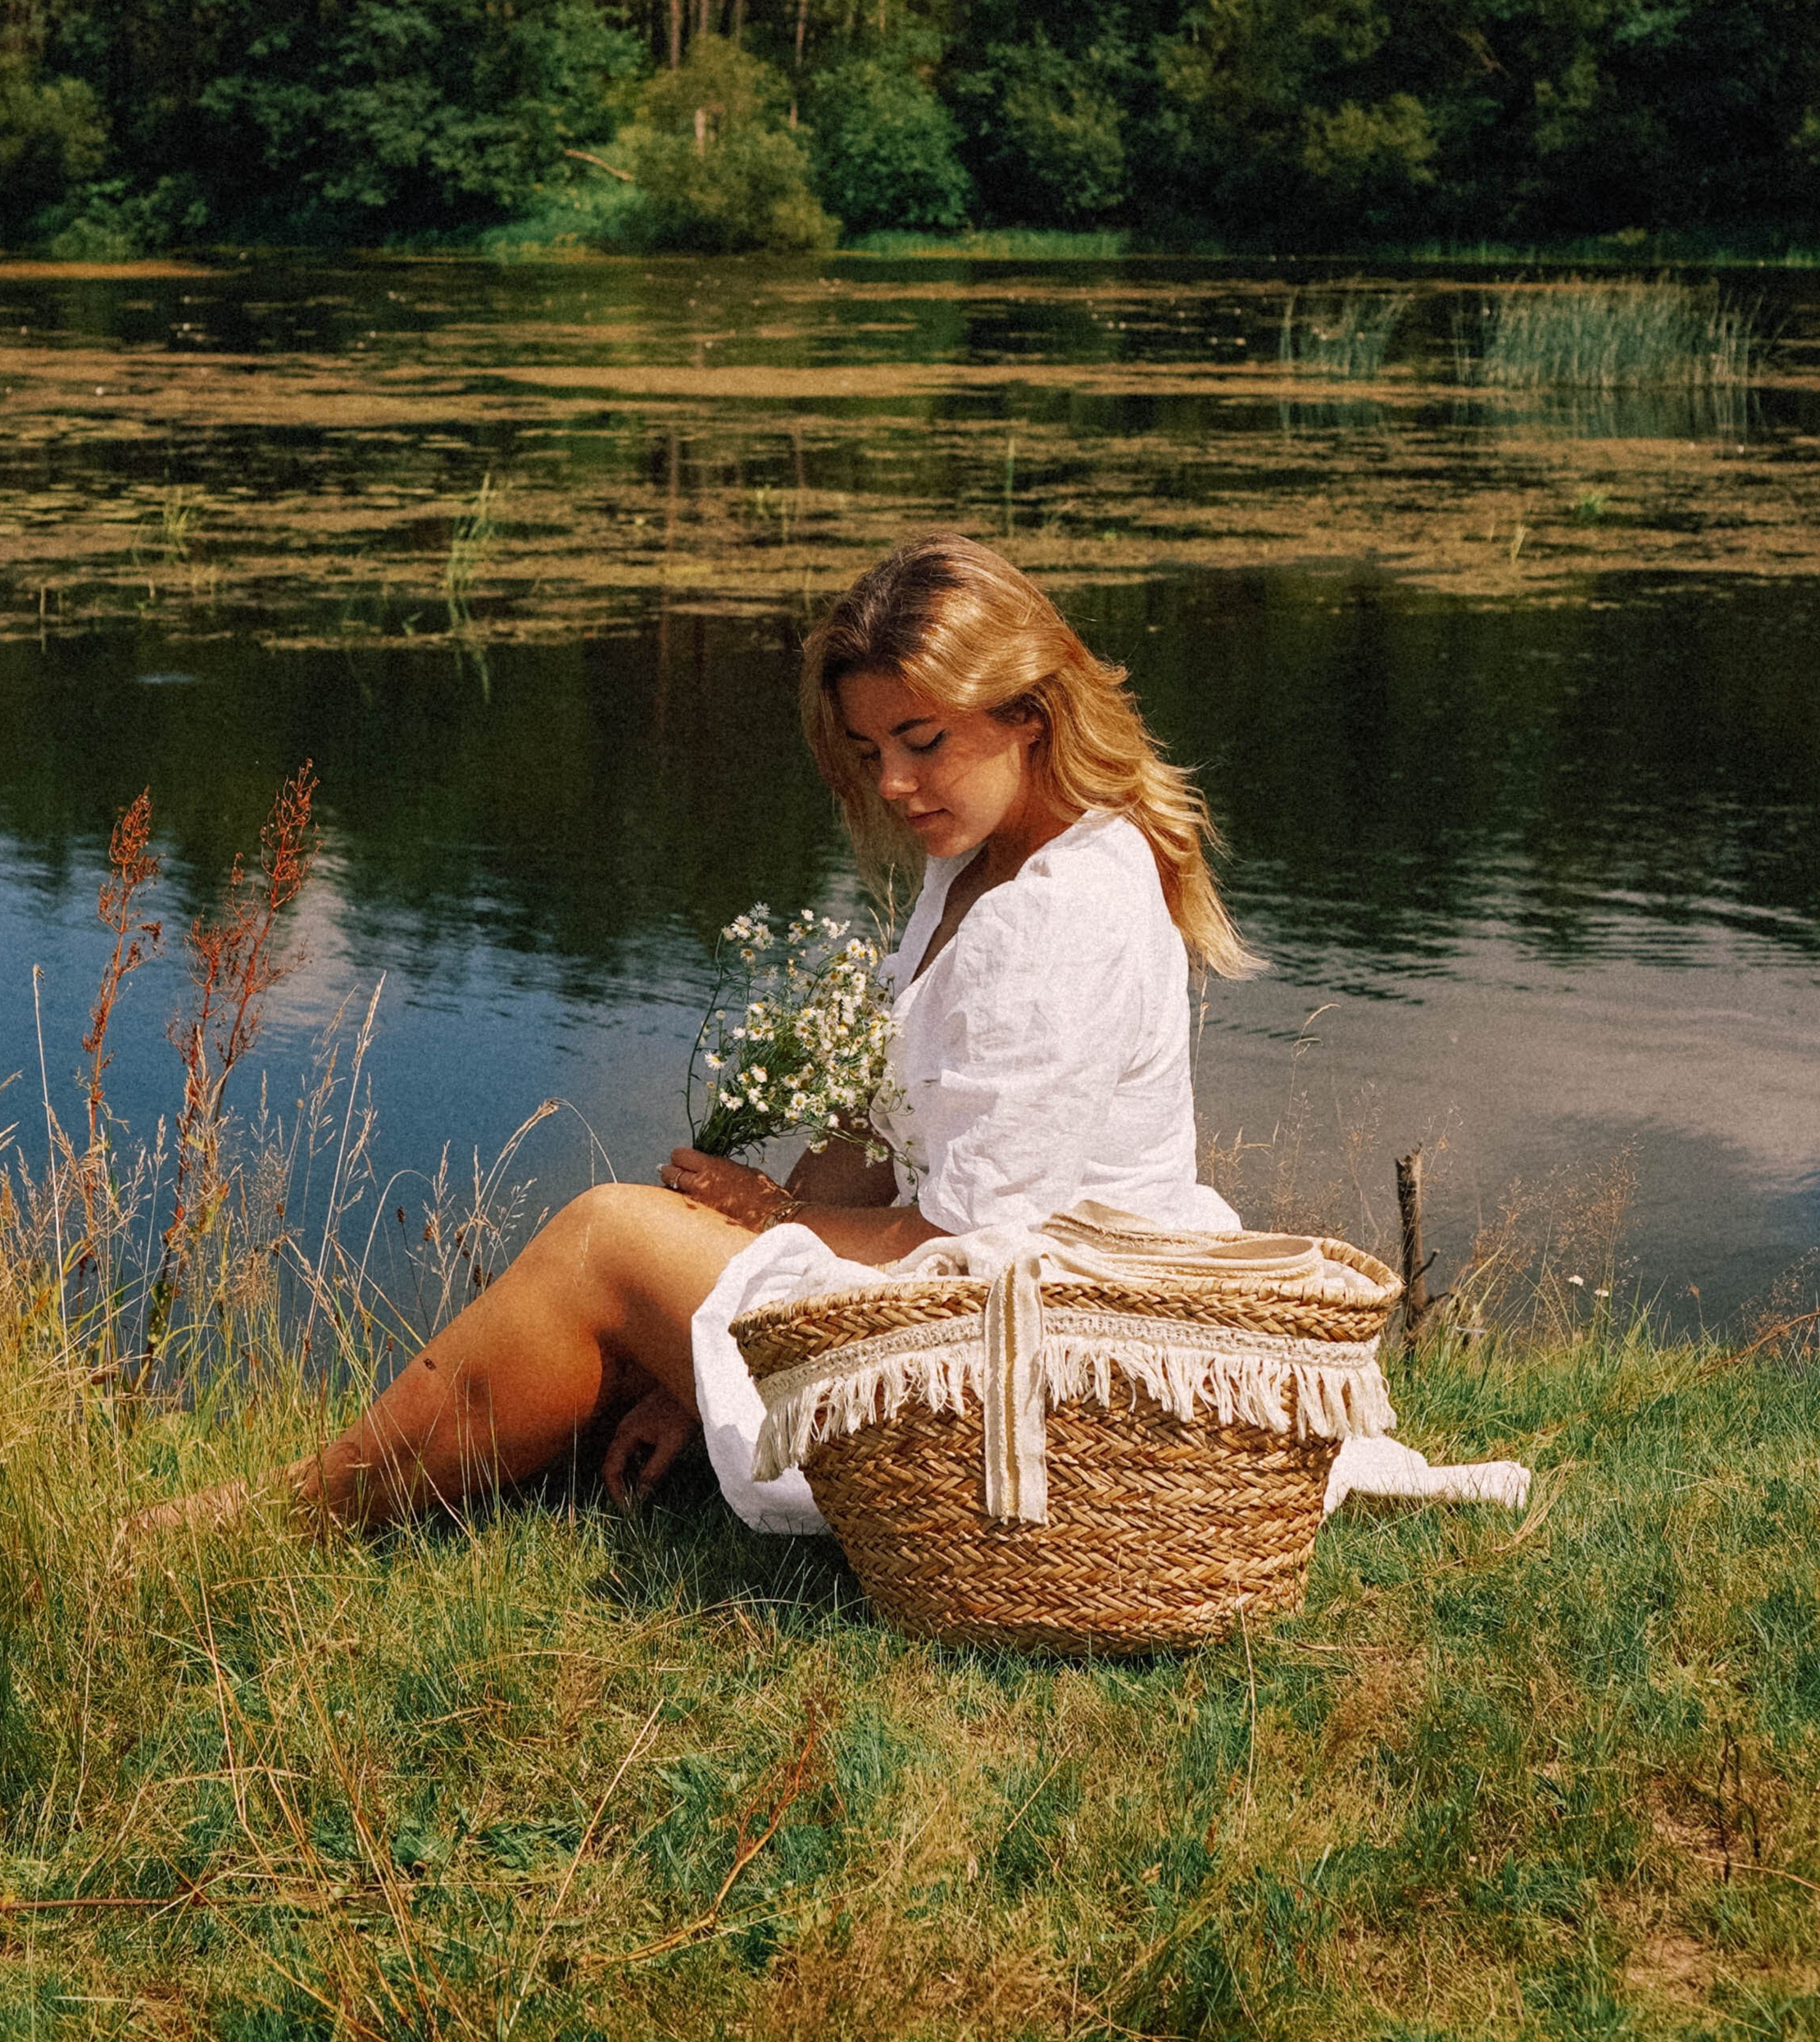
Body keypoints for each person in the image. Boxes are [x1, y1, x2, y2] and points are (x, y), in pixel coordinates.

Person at [151, 530, 1254, 1537]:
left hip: (1034, 1362)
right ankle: (362, 1493)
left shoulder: (1058, 914)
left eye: (923, 741)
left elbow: (976, 1245)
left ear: (1029, 713)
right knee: (643, 1266)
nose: (894, 783)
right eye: (870, 748)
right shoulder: (982, 865)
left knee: (608, 1238)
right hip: (984, 1311)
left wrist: (772, 1221)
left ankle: (284, 1516)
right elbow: (884, 1131)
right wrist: (713, 1338)